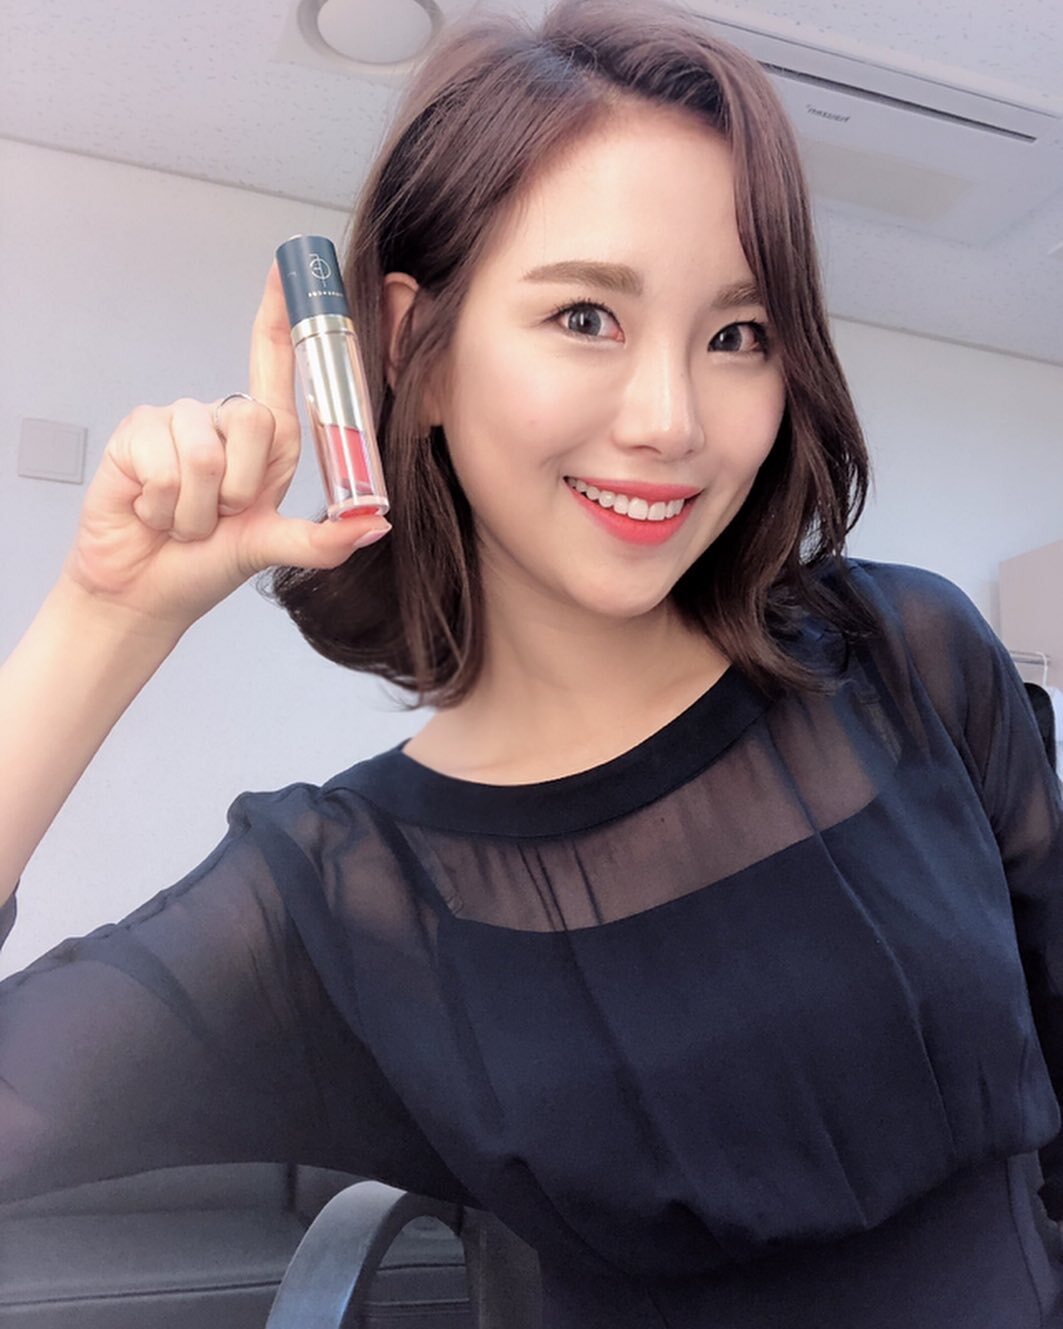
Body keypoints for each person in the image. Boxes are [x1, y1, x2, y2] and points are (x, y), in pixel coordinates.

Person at [2, 0, 1061, 1324]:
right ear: (414, 349)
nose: (671, 420)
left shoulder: (911, 658)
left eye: (738, 334)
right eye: (586, 316)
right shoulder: (344, 897)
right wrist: (108, 614)